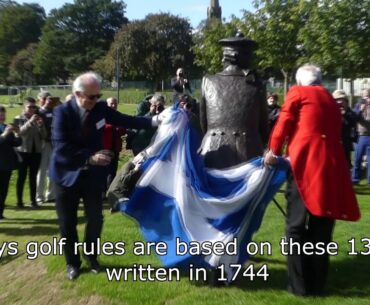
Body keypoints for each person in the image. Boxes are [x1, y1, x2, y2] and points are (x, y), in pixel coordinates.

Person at [49, 72, 159, 280]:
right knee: (67, 223)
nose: (96, 100)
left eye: (98, 96)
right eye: (91, 97)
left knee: (96, 219)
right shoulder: (62, 113)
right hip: (65, 176)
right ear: (77, 94)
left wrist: (155, 121)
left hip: (92, 177)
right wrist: (90, 158)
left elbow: (126, 119)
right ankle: (72, 263)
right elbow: (61, 149)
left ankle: (92, 258)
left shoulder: (99, 108)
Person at [265, 64, 360, 296]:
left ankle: (298, 286)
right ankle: (317, 283)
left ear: (299, 81)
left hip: (305, 165)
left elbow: (284, 123)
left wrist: (273, 152)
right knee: (322, 226)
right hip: (332, 167)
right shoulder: (329, 99)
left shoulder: (297, 93)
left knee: (295, 226)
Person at [199, 32, 268, 169]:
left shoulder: (208, 81)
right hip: (249, 151)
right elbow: (263, 125)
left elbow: (203, 122)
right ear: (240, 56)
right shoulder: (257, 84)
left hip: (213, 150)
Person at [15, 97, 46, 208]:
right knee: (21, 177)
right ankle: (19, 201)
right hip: (23, 152)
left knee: (33, 177)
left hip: (36, 152)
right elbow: (19, 133)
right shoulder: (18, 118)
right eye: (30, 107)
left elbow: (44, 136)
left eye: (34, 107)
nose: (32, 109)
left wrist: (41, 126)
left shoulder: (38, 118)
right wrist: (30, 122)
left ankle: (33, 201)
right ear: (24, 107)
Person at [0, 106, 22, 219]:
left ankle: (0, 213)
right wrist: (4, 134)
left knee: (4, 189)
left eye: (3, 114)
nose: (2, 116)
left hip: (6, 163)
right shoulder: (5, 130)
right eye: (0, 114)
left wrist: (18, 133)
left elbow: (16, 143)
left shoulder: (6, 126)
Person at [36, 94, 59, 203]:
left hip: (55, 144)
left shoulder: (55, 111)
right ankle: (39, 196)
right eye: (47, 99)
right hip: (44, 143)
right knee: (42, 171)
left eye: (51, 99)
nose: (49, 101)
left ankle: (51, 195)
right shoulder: (39, 112)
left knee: (53, 170)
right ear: (43, 100)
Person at [102, 97, 125, 191]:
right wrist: (113, 127)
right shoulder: (102, 115)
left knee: (112, 171)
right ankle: (102, 191)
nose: (113, 105)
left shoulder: (118, 116)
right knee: (103, 171)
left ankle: (110, 190)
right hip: (104, 148)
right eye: (111, 103)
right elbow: (100, 128)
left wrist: (119, 128)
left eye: (115, 103)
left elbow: (123, 130)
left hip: (115, 148)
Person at [332, 89, 358, 167]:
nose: (340, 102)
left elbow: (353, 122)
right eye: (337, 100)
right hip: (334, 140)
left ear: (345, 101)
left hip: (346, 140)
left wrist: (344, 116)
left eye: (341, 99)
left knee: (346, 162)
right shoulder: (331, 110)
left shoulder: (350, 112)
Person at [352, 88, 370, 184]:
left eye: (367, 96)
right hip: (361, 136)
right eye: (363, 96)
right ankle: (355, 178)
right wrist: (360, 110)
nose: (365, 99)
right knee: (357, 159)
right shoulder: (358, 106)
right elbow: (353, 117)